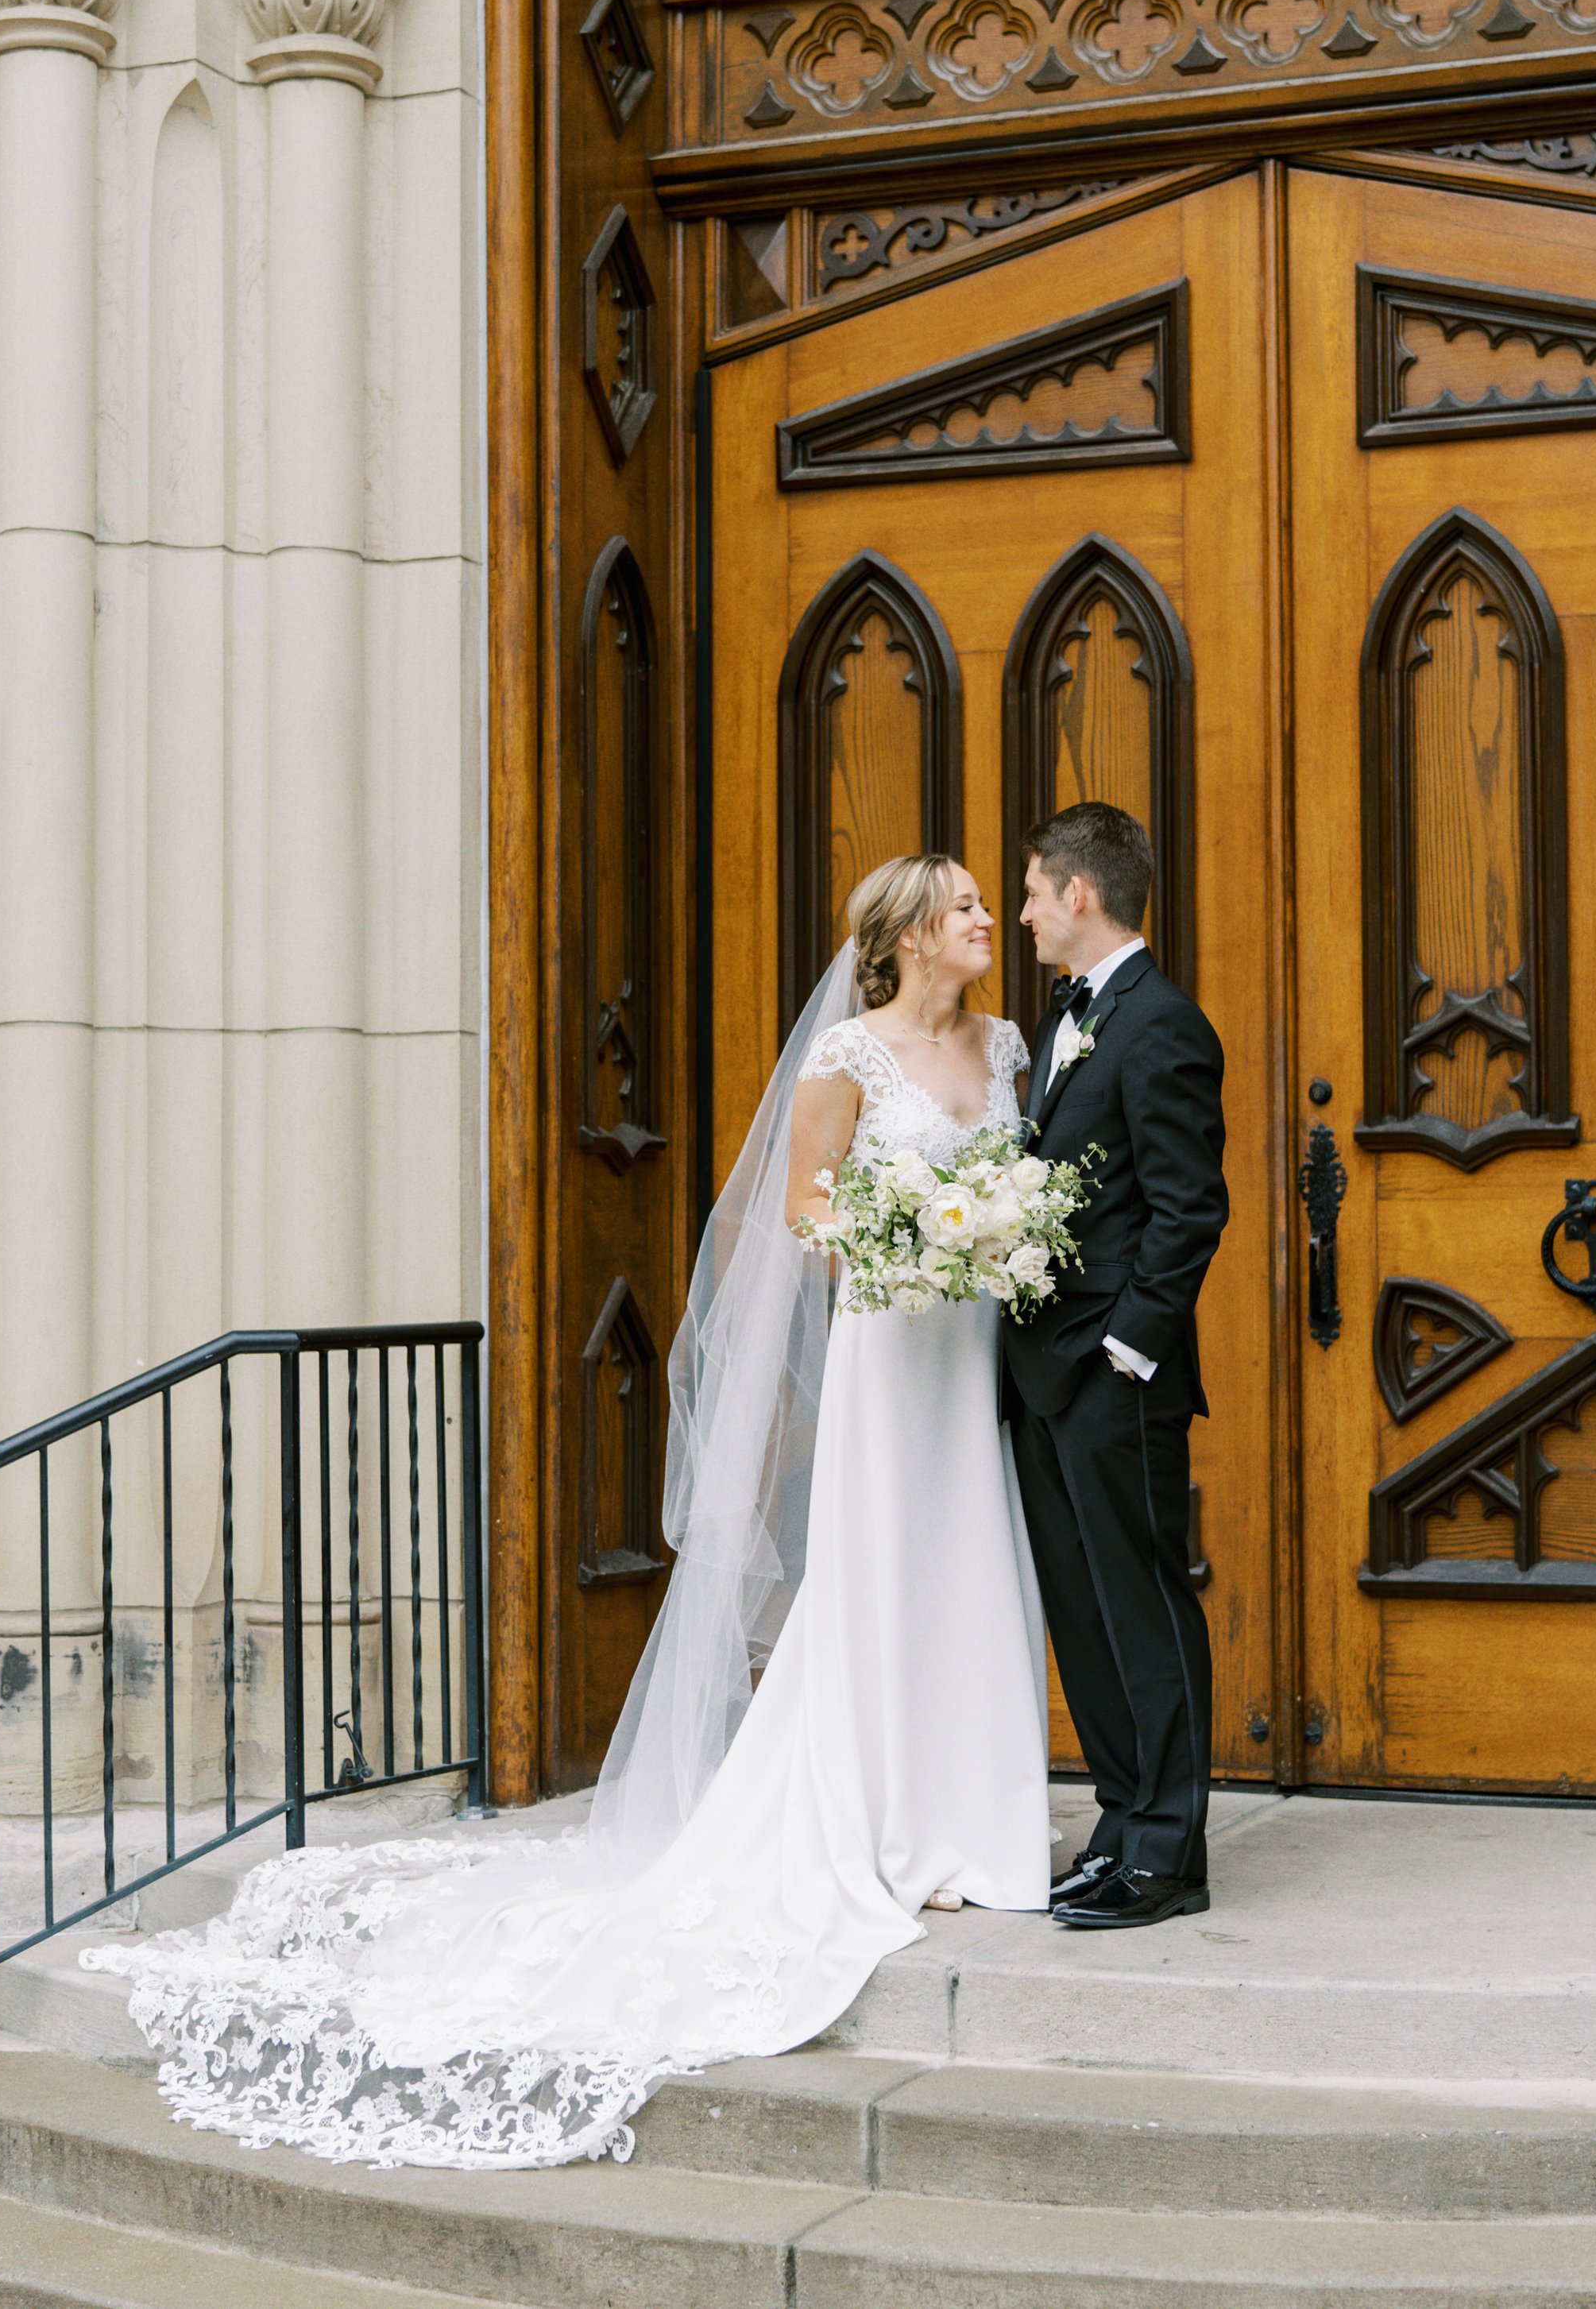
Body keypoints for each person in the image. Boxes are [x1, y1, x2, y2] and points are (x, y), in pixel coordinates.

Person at [83, 854, 1051, 2169]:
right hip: (896, 1343)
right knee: (885, 1570)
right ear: (903, 935)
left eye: (991, 904)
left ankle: (974, 1820)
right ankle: (883, 1819)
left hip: (971, 1348)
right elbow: (801, 1208)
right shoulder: (848, 1051)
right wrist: (914, 1238)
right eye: (964, 908)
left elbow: (1023, 1185)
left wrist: (985, 1233)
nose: (987, 921)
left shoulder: (1007, 1046)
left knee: (969, 1562)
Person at [1002, 802, 1229, 1932]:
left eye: (1036, 892)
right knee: (1083, 1612)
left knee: (1141, 1603)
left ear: (1079, 896)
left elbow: (1190, 1212)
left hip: (1113, 1377)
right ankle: (1120, 1821)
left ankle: (1169, 1856)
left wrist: (1127, 1354)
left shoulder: (1161, 1024)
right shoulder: (1063, 1021)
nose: (1027, 914)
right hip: (1039, 1373)